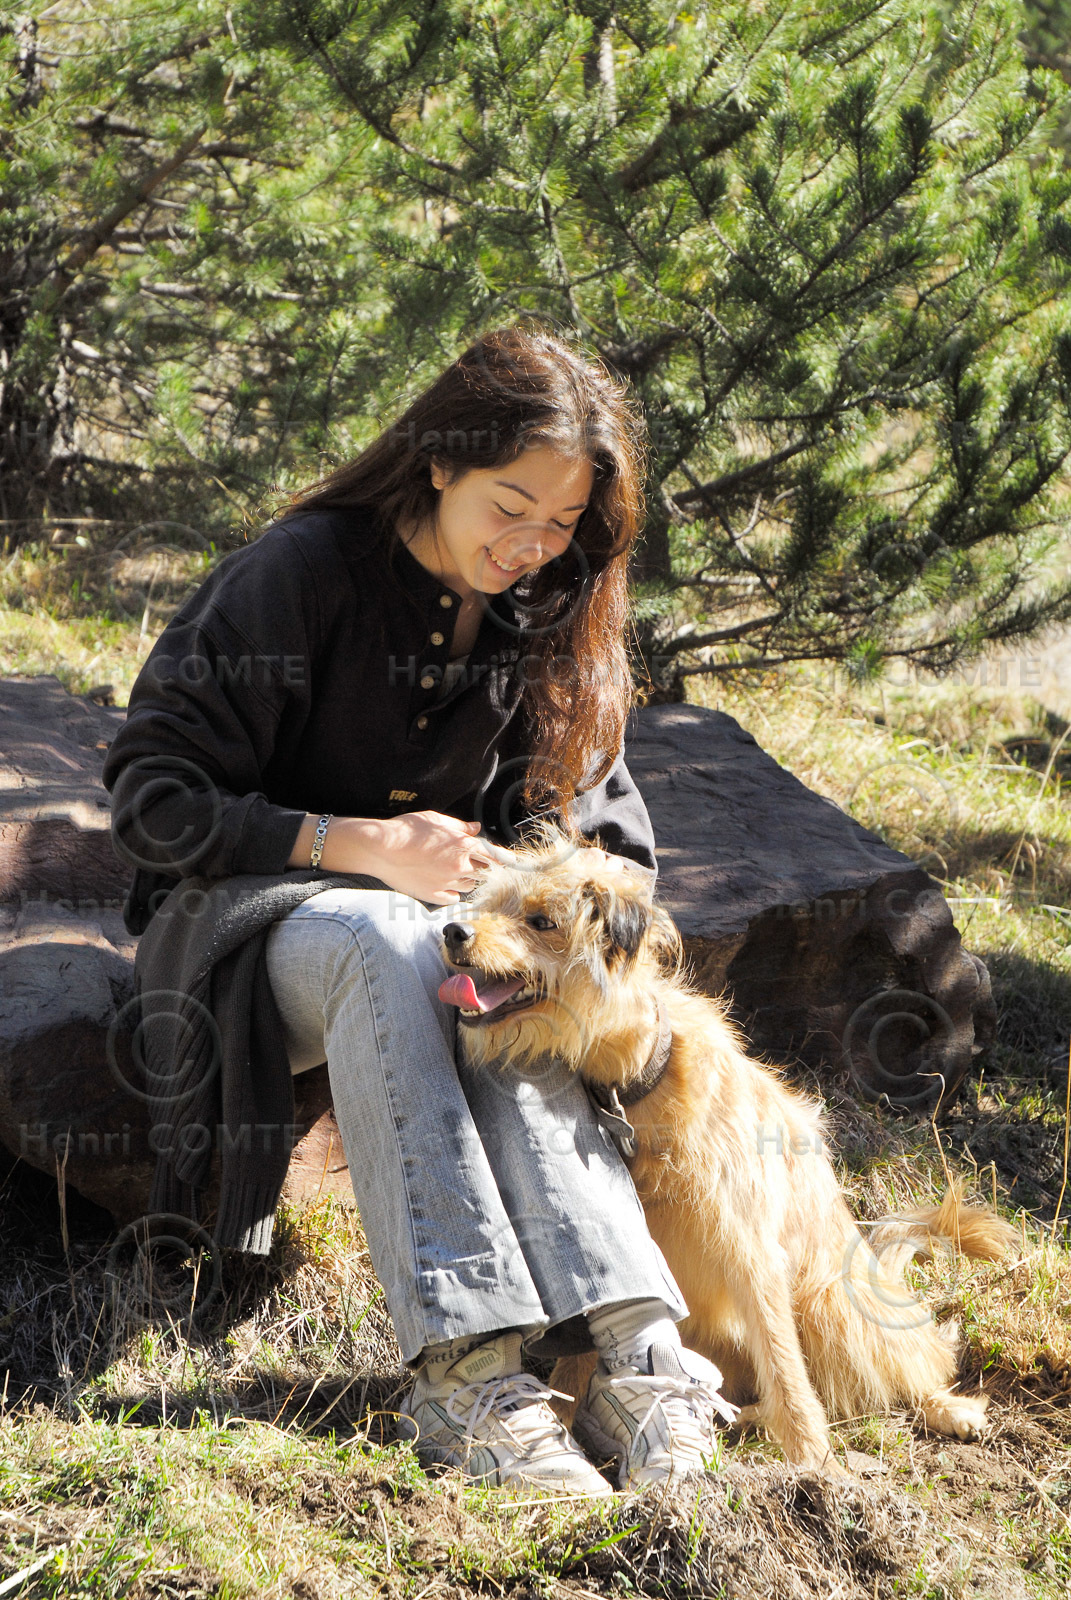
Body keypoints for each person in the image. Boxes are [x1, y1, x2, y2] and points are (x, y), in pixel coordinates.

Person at [102, 322, 732, 1496]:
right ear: (438, 461)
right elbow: (152, 798)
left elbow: (612, 840)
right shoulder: (296, 575)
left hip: (448, 939)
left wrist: (528, 880)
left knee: (501, 970)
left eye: (562, 524)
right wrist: (359, 845)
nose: (534, 546)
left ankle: (642, 1357)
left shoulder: (549, 608)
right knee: (395, 934)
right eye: (512, 505)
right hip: (252, 933)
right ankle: (467, 1382)